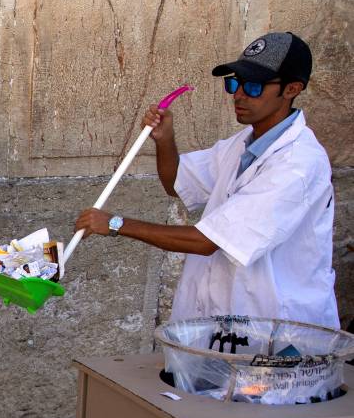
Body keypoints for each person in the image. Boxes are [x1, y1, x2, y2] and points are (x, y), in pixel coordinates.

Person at [74, 32, 338, 329]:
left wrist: (114, 224)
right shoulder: (243, 143)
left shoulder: (298, 164)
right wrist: (165, 139)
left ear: (292, 89)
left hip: (279, 332)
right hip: (226, 325)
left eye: (253, 86)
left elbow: (207, 242)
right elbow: (176, 183)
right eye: (234, 83)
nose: (238, 95)